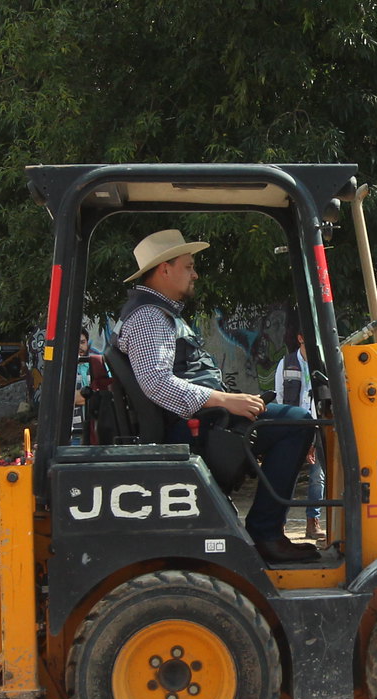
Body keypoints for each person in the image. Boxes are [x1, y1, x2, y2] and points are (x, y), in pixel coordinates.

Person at [115, 229, 318, 563]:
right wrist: (225, 401)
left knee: (286, 418)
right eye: (188, 266)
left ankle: (265, 530)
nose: (195, 273)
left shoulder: (157, 314)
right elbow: (156, 382)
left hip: (198, 419)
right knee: (296, 422)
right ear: (164, 269)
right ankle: (266, 534)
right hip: (193, 428)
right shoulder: (149, 318)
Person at [273, 326, 326, 541]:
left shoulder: (323, 365)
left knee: (317, 477)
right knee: (288, 475)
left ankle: (313, 523)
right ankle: (279, 524)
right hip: (292, 425)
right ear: (300, 338)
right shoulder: (286, 363)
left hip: (318, 425)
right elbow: (279, 396)